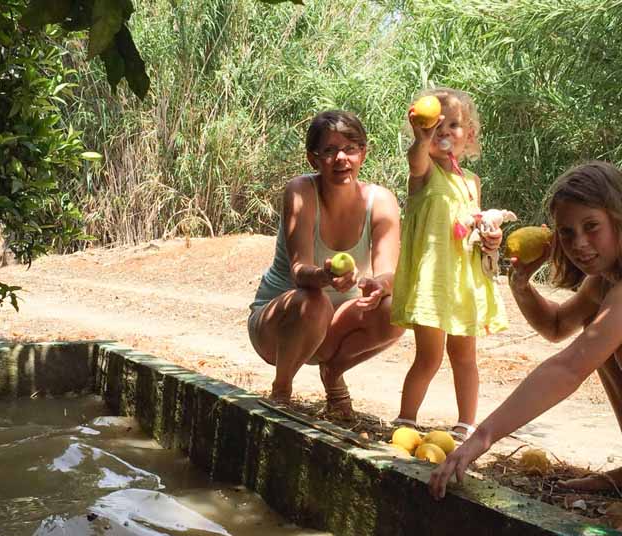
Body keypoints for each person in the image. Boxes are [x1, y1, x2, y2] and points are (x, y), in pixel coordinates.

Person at [429, 161, 622, 499]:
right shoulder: (604, 282)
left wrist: (482, 437)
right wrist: (520, 283)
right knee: (597, 332)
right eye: (567, 232)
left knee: (599, 341)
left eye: (591, 226)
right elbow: (558, 326)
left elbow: (568, 367)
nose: (578, 243)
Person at [247, 110, 404, 418]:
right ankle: (280, 392)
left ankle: (333, 376)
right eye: (329, 151)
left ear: (363, 153)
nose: (341, 158)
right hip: (277, 330)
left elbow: (389, 272)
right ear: (313, 159)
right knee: (314, 300)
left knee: (397, 308)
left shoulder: (381, 201)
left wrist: (379, 285)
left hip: (335, 329)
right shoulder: (301, 191)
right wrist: (325, 276)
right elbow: (300, 272)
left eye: (350, 149)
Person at [390, 88, 507, 440]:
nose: (444, 132)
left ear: (469, 134)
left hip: (464, 278)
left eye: (454, 125)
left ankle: (466, 424)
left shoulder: (472, 182)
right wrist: (420, 138)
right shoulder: (424, 172)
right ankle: (406, 420)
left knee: (464, 354)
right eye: (436, 125)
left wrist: (490, 236)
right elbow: (415, 159)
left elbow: (472, 226)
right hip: (433, 279)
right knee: (429, 355)